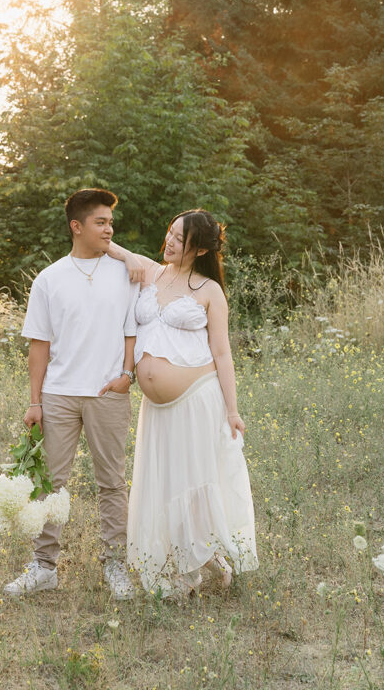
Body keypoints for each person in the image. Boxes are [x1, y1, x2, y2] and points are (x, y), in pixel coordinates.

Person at [108, 209, 258, 597]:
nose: (170, 241)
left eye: (180, 237)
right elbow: (109, 247)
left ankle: (207, 556)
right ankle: (177, 566)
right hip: (156, 409)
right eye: (170, 233)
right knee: (164, 484)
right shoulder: (152, 273)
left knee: (192, 484)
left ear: (200, 247)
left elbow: (222, 353)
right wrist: (126, 256)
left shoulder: (209, 290)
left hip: (197, 399)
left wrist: (232, 410)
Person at [4, 188, 139, 600]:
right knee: (50, 483)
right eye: (100, 222)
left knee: (112, 482)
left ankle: (115, 565)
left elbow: (131, 330)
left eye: (111, 222)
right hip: (60, 393)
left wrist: (127, 375)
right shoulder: (50, 279)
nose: (109, 229)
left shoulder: (125, 271)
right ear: (76, 227)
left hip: (108, 392)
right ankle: (44, 566)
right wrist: (35, 401)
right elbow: (39, 345)